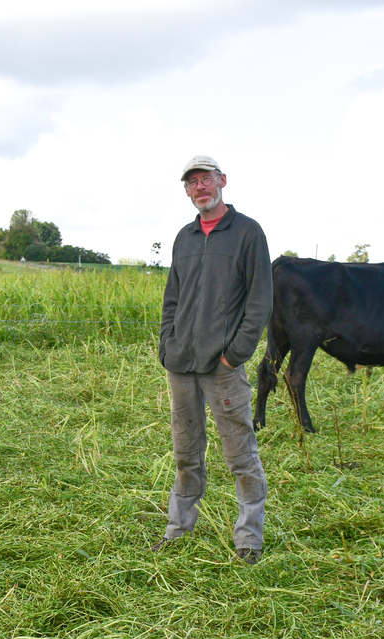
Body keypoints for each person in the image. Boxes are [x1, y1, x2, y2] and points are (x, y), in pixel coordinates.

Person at [154, 155, 272, 563]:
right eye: (192, 182)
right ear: (186, 190)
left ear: (222, 181)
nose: (200, 187)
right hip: (180, 364)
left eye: (206, 179)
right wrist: (167, 345)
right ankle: (178, 529)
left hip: (222, 366)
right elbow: (173, 297)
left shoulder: (247, 233)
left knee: (240, 451)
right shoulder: (184, 237)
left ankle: (248, 539)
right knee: (186, 450)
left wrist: (234, 354)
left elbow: (259, 302)